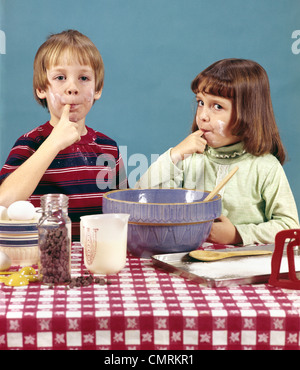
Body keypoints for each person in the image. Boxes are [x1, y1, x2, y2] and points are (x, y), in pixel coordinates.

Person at [136, 58, 299, 246]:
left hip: (245, 269)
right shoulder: (190, 160)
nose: (203, 116)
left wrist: (237, 235)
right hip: (191, 263)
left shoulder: (265, 167)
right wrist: (174, 156)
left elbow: (289, 228)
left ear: (248, 114)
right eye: (200, 102)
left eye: (217, 106)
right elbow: (142, 197)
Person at [0, 30, 127, 240]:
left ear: (97, 89)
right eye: (60, 78)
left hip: (96, 260)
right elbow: (4, 202)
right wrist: (53, 144)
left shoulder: (109, 149)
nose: (72, 88)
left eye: (84, 78)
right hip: (45, 259)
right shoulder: (29, 144)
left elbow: (124, 215)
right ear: (41, 88)